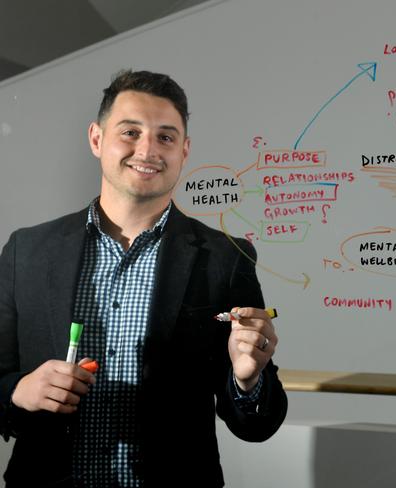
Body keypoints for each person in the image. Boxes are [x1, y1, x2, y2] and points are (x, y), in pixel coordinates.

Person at [0, 70, 287, 487]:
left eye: (166, 137)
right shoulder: (26, 251)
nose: (147, 149)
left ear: (184, 150)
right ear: (97, 139)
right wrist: (19, 392)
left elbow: (257, 425)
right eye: (130, 132)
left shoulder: (225, 259)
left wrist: (247, 379)